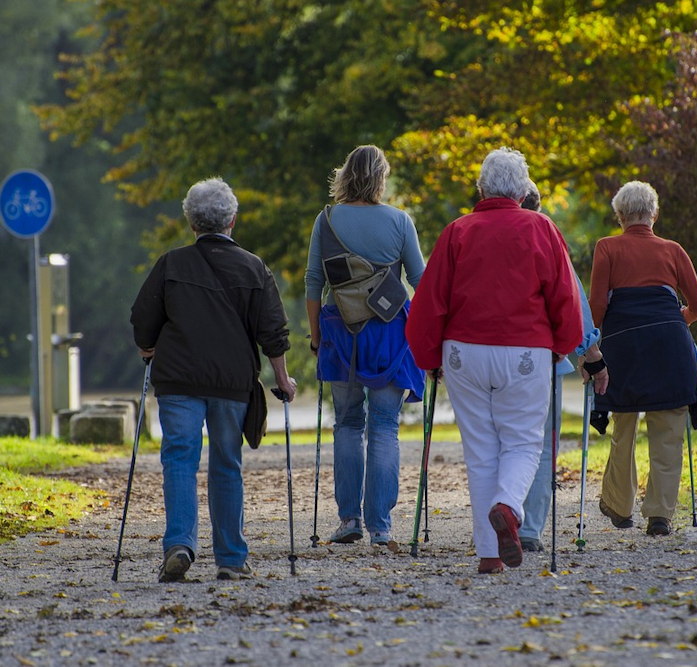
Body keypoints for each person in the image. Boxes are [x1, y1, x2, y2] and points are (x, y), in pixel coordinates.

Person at [406, 148, 582, 574]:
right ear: (523, 190)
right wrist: (563, 344)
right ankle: (508, 506)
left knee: (481, 449)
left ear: (481, 188)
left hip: (464, 351)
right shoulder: (541, 228)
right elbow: (564, 296)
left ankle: (489, 554)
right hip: (524, 349)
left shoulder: (457, 232)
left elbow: (430, 301)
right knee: (522, 441)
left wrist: (429, 356)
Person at [131, 177, 297, 582]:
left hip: (178, 381)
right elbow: (272, 331)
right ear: (232, 221)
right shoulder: (254, 267)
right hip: (231, 383)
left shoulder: (171, 264)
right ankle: (231, 558)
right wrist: (283, 379)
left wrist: (148, 347)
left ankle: (180, 545)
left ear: (190, 221)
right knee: (226, 463)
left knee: (179, 460)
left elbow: (142, 317)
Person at [305, 145, 426, 547]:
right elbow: (420, 282)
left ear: (344, 176)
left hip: (340, 330)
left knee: (347, 423)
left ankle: (348, 519)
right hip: (390, 332)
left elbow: (312, 283)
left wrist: (316, 334)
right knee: (385, 426)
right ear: (381, 178)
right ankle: (381, 526)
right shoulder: (400, 221)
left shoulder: (326, 221)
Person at [589, 181, 697, 537]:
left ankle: (620, 505)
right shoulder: (673, 250)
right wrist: (674, 321)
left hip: (623, 347)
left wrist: (590, 345)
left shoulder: (606, 247)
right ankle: (660, 516)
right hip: (670, 348)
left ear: (620, 215)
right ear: (654, 214)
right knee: (669, 431)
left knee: (623, 427)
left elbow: (597, 306)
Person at [517, 181, 607, 552]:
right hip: (543, 358)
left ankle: (500, 518)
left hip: (486, 357)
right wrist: (592, 357)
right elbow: (572, 301)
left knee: (500, 443)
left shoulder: (476, 234)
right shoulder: (547, 237)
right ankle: (530, 528)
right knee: (541, 444)